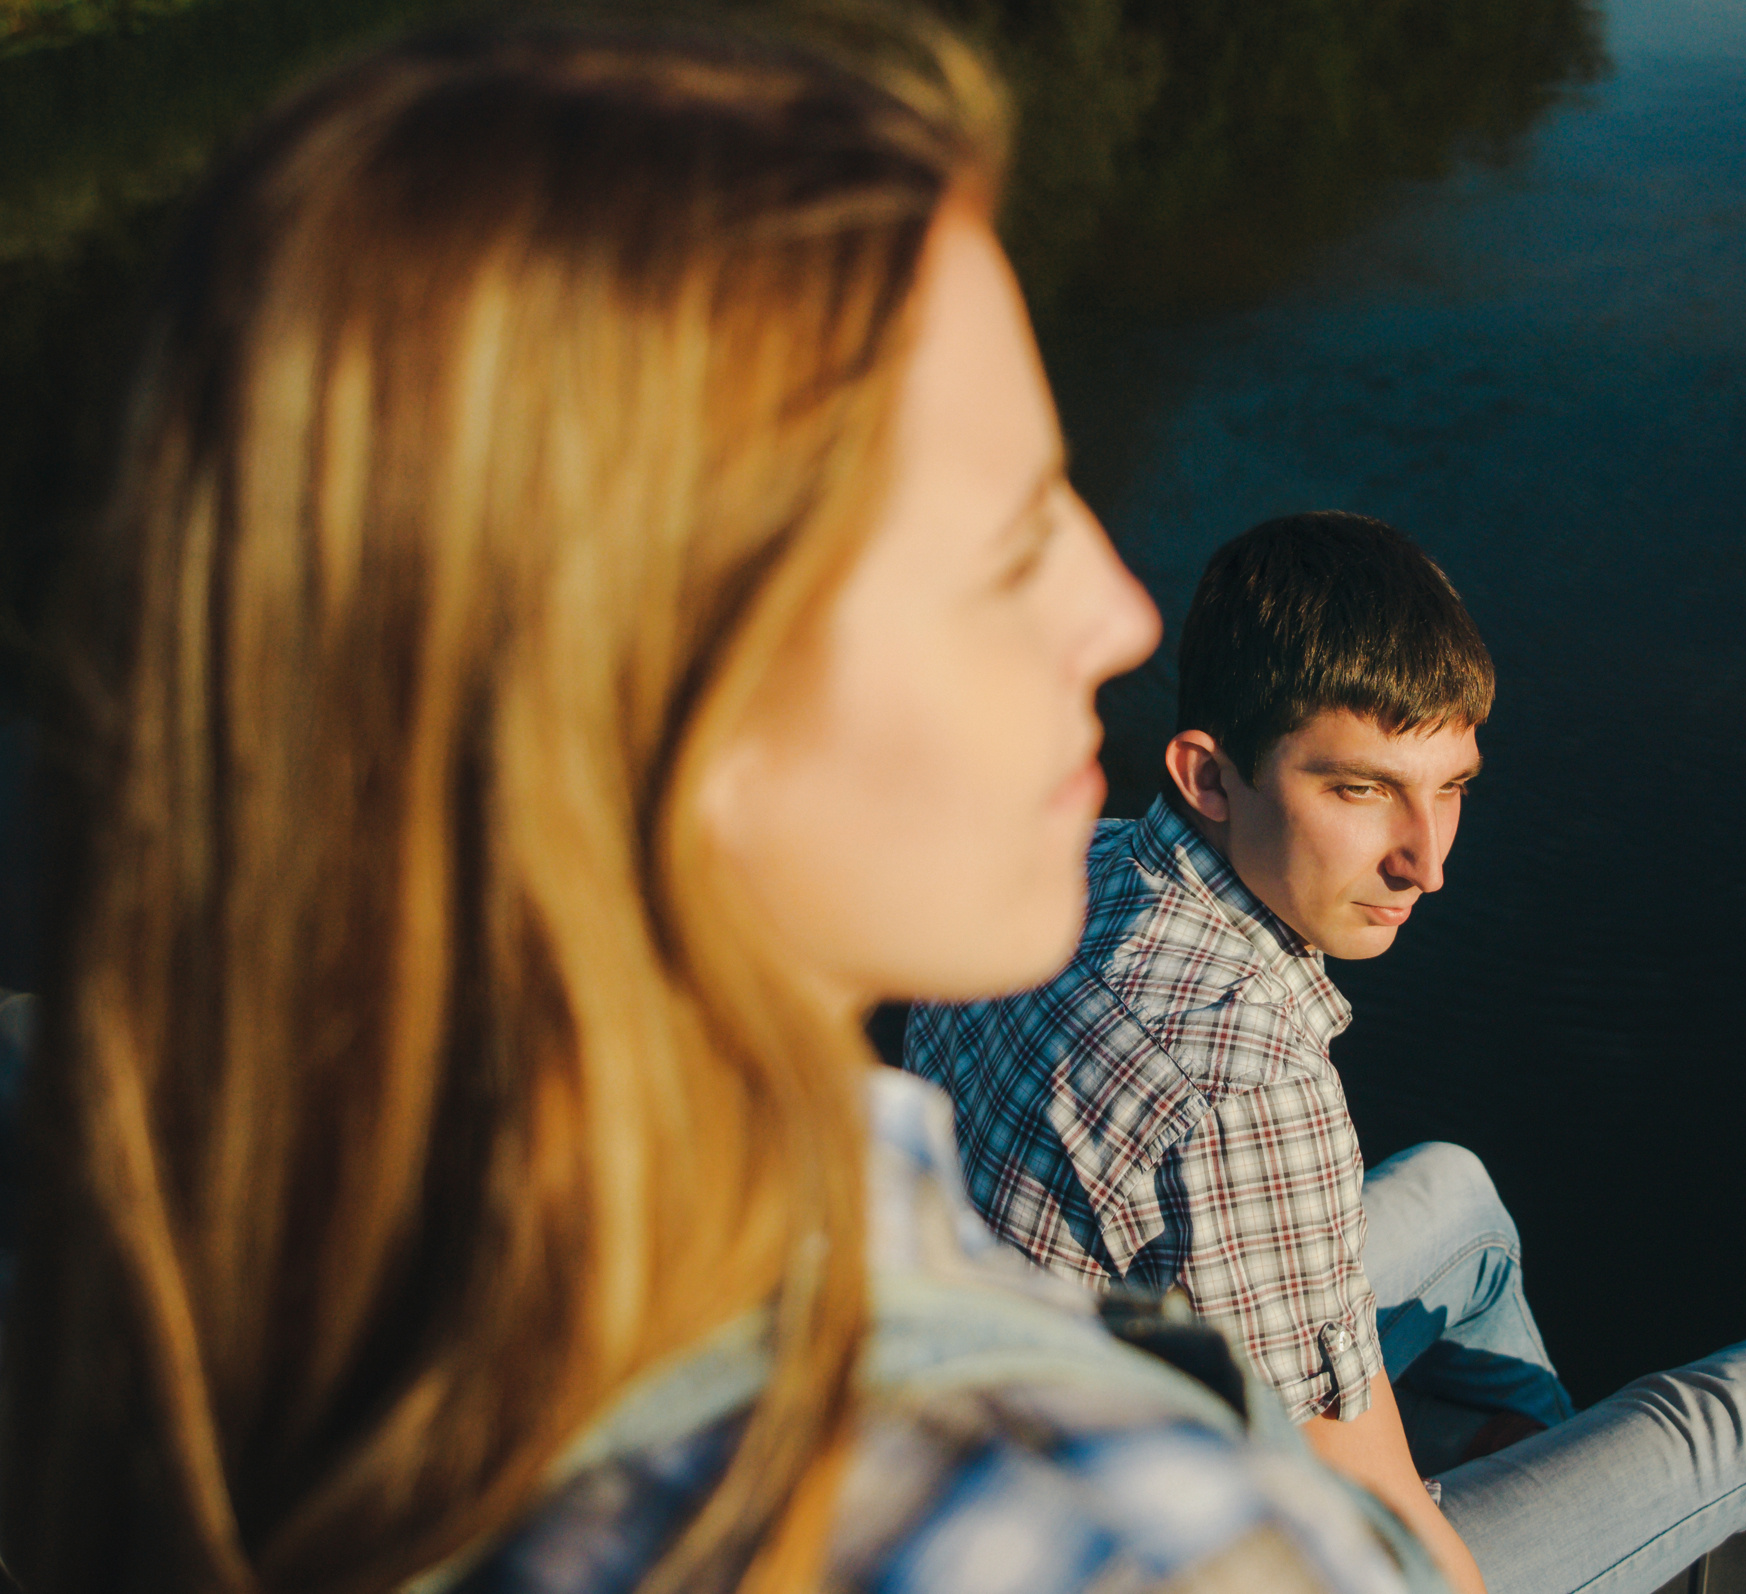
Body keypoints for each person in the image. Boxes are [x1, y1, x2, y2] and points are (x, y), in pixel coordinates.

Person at [0, 23, 1465, 1594]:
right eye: (1008, 544)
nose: (1112, 615)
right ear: (657, 700)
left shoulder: (163, 1247)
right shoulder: (1131, 1538)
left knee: (1460, 1209)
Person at [905, 512, 1746, 1594]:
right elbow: (1344, 1521)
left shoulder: (1082, 866)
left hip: (1060, 1404)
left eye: (1452, 787)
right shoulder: (1244, 1075)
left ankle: (1525, 1464)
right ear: (1211, 775)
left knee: (1459, 1200)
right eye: (1364, 790)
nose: (1427, 860)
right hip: (1169, 1546)